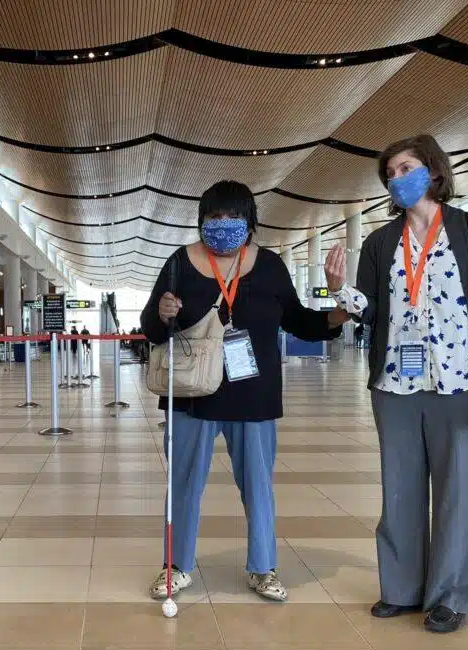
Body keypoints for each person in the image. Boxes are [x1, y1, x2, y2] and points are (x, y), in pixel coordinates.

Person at [324, 134, 468, 633]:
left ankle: (450, 594)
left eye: (404, 168)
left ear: (433, 171)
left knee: (455, 491)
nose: (396, 179)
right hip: (396, 382)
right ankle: (402, 589)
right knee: (400, 489)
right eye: (389, 174)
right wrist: (337, 288)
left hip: (463, 380)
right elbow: (366, 309)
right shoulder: (380, 241)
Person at [141, 180, 348, 602]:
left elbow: (299, 321)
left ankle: (262, 567)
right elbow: (150, 327)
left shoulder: (271, 266)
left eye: (233, 217)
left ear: (249, 221)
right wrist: (162, 314)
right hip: (193, 392)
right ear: (202, 221)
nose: (223, 226)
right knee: (183, 483)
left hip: (253, 395)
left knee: (257, 484)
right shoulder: (179, 263)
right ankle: (177, 564)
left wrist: (339, 309)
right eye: (213, 218)